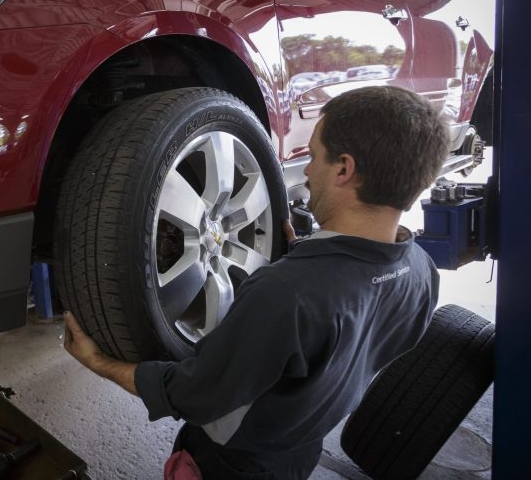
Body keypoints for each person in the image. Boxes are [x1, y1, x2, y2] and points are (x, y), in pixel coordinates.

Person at [63, 86, 450, 480]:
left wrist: (99, 363)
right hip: (300, 451)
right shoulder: (421, 273)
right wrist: (305, 256)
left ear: (343, 169)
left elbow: (194, 395)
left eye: (314, 156)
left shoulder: (286, 294)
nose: (308, 169)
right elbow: (352, 317)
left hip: (230, 466)